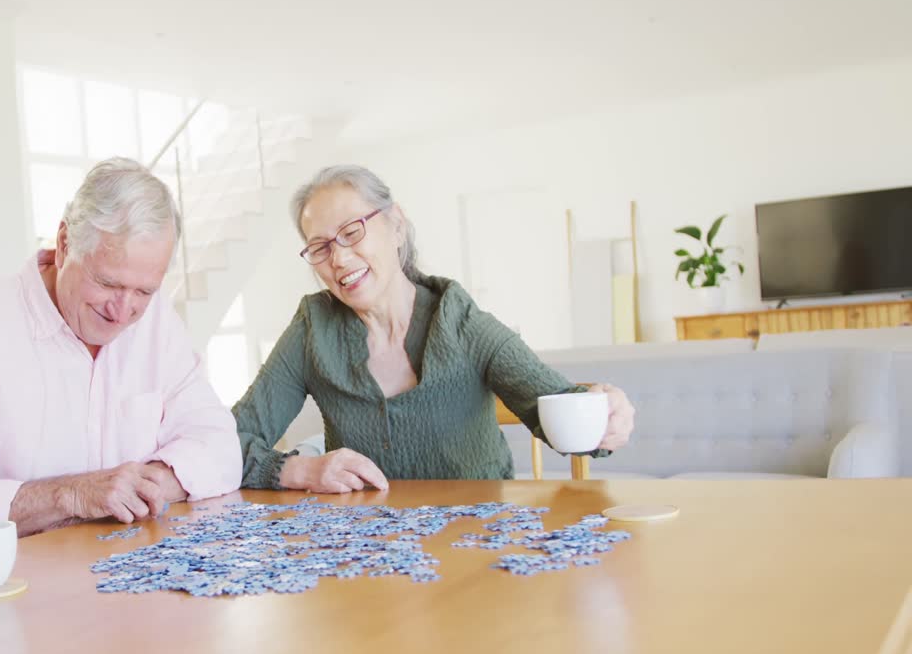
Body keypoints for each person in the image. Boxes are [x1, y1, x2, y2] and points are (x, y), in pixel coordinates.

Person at [0, 158, 241, 555]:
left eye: (144, 291)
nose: (123, 310)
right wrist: (71, 496)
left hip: (126, 579)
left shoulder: (158, 321)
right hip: (5, 592)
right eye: (107, 283)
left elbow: (219, 446)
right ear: (64, 245)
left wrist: (145, 485)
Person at [233, 165, 635, 493]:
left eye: (352, 231)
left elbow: (561, 406)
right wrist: (301, 471)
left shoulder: (460, 322)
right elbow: (224, 446)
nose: (338, 258)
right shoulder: (312, 329)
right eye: (320, 247)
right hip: (366, 561)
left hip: (477, 554)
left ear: (396, 225)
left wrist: (606, 412)